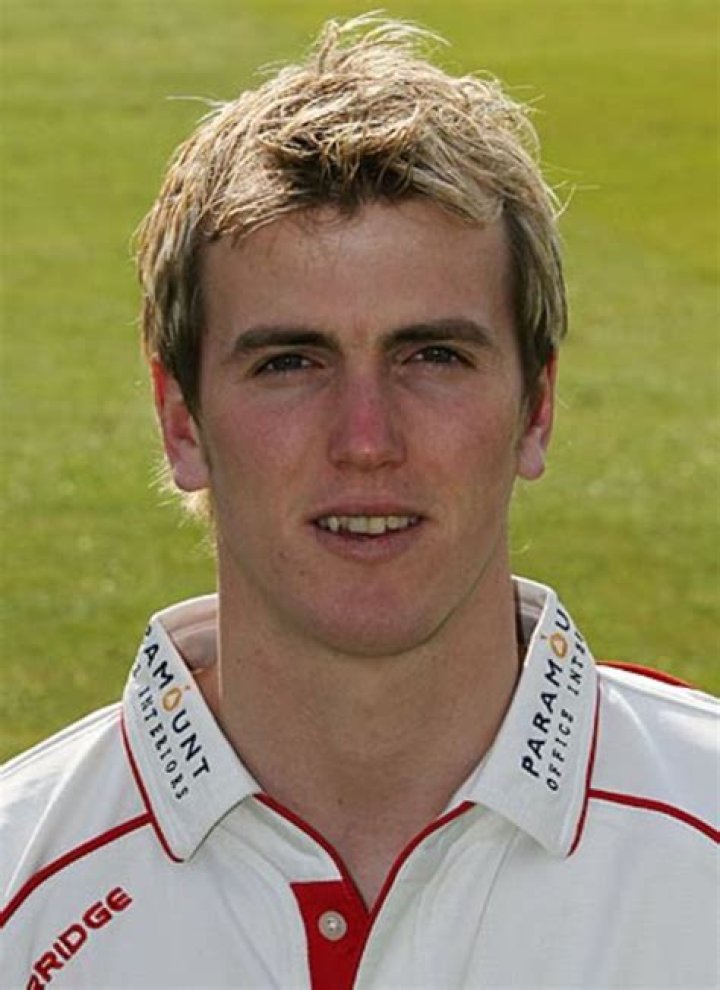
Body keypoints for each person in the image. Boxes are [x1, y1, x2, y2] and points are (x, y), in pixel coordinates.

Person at [1, 15, 717, 990]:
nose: (367, 439)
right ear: (180, 421)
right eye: (291, 363)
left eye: (434, 356)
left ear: (537, 408)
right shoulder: (20, 896)